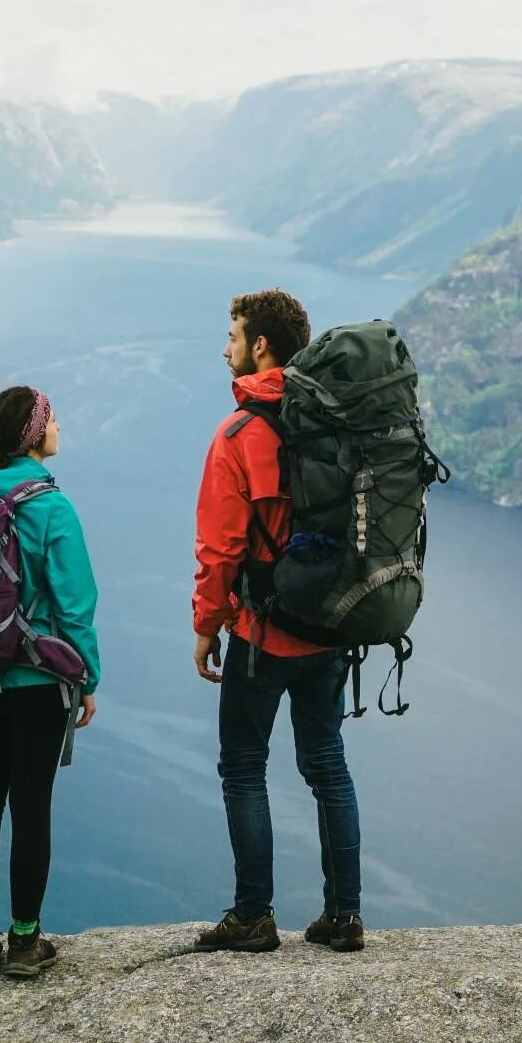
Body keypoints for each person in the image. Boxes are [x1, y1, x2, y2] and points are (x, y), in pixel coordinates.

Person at [190, 289, 365, 954]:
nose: (225, 346)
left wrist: (208, 624)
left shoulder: (238, 434)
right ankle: (344, 916)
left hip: (262, 636)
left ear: (260, 345)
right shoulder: (335, 424)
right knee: (327, 765)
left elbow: (221, 548)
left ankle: (254, 914)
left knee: (243, 766)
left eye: (232, 335)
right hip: (330, 628)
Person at [0, 385, 101, 979]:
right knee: (31, 805)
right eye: (51, 419)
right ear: (33, 435)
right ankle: (24, 941)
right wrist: (87, 675)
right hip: (37, 679)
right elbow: (75, 604)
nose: (59, 426)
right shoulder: (51, 507)